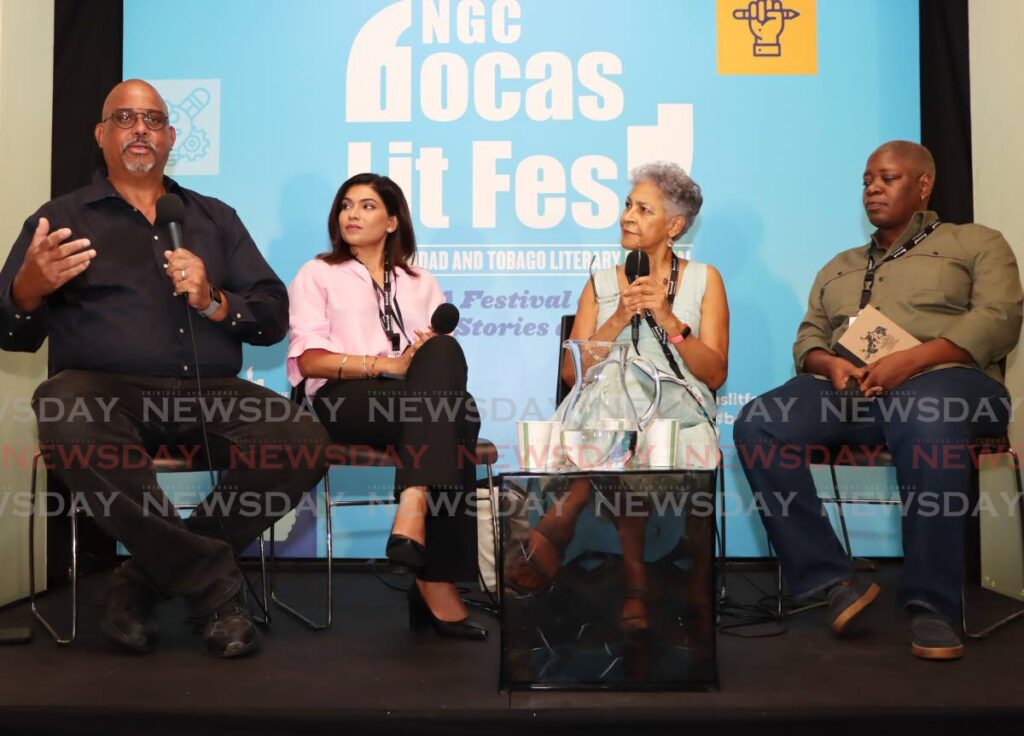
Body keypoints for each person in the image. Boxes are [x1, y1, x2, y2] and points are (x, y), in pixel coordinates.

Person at [0, 79, 329, 658]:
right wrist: (26, 292)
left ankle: (143, 578)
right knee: (62, 409)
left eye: (153, 119)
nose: (140, 129)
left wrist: (215, 300)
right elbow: (9, 332)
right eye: (124, 118)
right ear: (101, 135)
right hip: (102, 389)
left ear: (172, 137)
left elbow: (273, 317)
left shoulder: (214, 217)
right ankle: (215, 589)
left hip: (211, 388)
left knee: (300, 437)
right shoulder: (60, 218)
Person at [734, 141, 1023, 661]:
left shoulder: (975, 243)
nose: (872, 188)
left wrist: (909, 363)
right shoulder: (839, 266)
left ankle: (932, 605)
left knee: (925, 410)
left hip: (953, 384)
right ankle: (830, 581)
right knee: (759, 423)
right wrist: (830, 364)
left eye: (886, 178)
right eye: (867, 180)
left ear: (923, 185)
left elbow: (999, 318)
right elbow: (808, 338)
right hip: (853, 392)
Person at [505, 162, 730, 630]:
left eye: (643, 209)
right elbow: (573, 374)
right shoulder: (602, 281)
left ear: (674, 226)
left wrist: (669, 321)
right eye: (628, 205)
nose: (627, 215)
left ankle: (574, 522)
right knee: (616, 404)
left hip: (674, 409)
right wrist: (618, 319)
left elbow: (713, 373)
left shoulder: (705, 280)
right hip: (604, 409)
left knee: (629, 420)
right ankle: (635, 584)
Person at [287, 173, 487, 641]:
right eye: (345, 206)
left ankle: (414, 504)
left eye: (367, 206)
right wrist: (386, 365)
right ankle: (435, 581)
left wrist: (418, 359)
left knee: (445, 361)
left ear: (393, 221)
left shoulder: (420, 281)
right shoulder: (319, 272)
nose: (352, 214)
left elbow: (438, 368)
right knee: (460, 418)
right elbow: (310, 359)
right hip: (341, 400)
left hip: (411, 409)